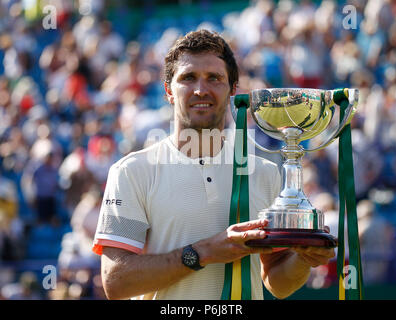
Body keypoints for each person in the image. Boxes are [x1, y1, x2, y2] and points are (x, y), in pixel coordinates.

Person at [92, 29, 334, 300]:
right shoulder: (130, 172)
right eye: (188, 77)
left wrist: (304, 258)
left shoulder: (266, 173)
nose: (200, 89)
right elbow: (115, 280)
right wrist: (203, 253)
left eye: (214, 78)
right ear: (169, 91)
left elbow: (277, 283)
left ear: (232, 90)